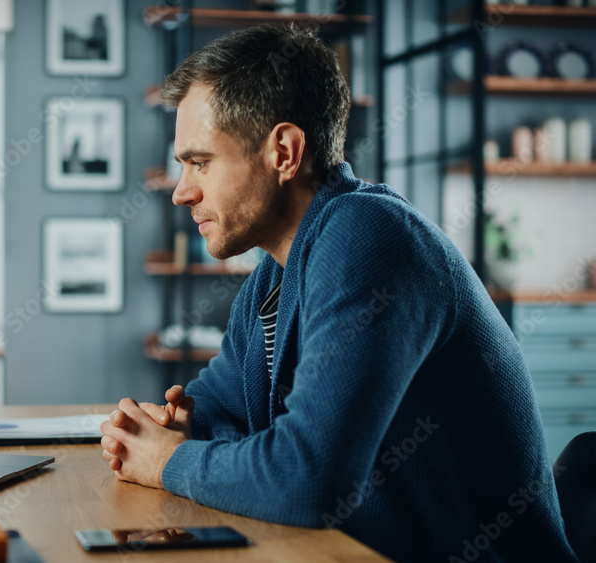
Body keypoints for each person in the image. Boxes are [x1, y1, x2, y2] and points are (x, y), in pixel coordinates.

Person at [99, 25, 577, 561]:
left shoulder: (369, 236)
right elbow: (216, 406)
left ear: (283, 152)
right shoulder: (273, 274)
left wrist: (167, 461)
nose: (182, 192)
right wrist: (162, 428)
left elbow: (307, 480)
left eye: (200, 162)